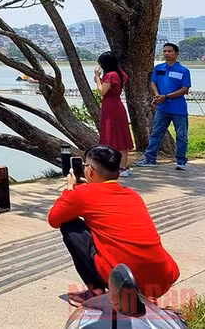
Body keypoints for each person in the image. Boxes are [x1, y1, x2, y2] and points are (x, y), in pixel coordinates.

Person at [48, 145, 180, 306]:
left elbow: (54, 219)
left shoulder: (83, 194)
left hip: (125, 281)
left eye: (85, 166)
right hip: (161, 279)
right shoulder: (133, 195)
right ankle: (140, 293)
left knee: (69, 225)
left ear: (90, 171)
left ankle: (95, 291)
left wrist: (69, 190)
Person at [135, 43, 192, 170]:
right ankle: (150, 158)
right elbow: (153, 83)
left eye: (170, 51)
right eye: (165, 51)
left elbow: (184, 89)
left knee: (181, 134)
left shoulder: (183, 71)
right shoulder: (159, 68)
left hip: (179, 108)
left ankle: (181, 161)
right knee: (156, 133)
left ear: (176, 54)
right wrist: (157, 95)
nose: (167, 54)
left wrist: (165, 96)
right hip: (163, 108)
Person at [93, 52, 132, 177]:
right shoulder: (120, 73)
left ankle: (120, 167)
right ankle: (123, 166)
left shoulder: (110, 75)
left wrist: (98, 78)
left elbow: (102, 91)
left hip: (110, 107)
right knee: (121, 136)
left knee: (113, 135)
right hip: (118, 104)